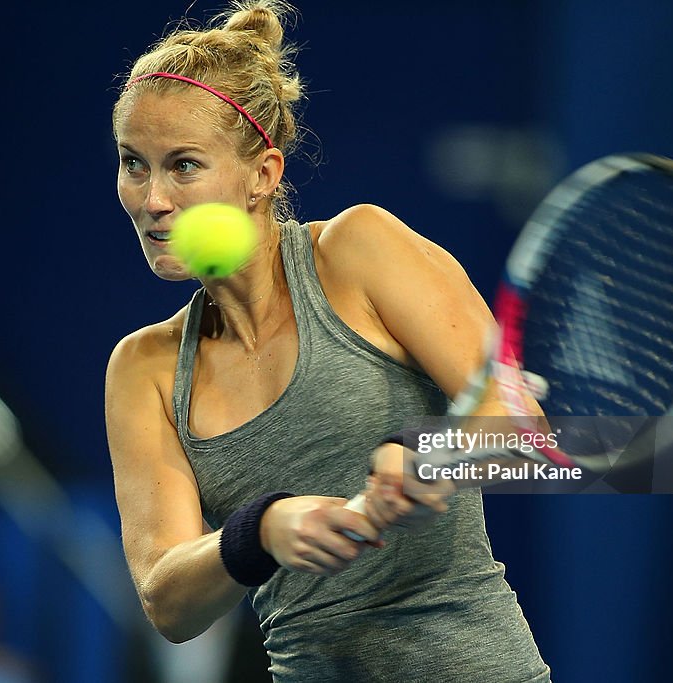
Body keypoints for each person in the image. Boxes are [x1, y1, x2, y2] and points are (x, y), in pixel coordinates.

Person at [105, 2, 551, 680]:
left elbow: (524, 429)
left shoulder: (360, 249)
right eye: (134, 163)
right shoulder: (144, 368)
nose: (153, 198)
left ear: (264, 174)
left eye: (184, 165)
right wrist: (259, 533)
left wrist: (432, 456)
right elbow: (166, 599)